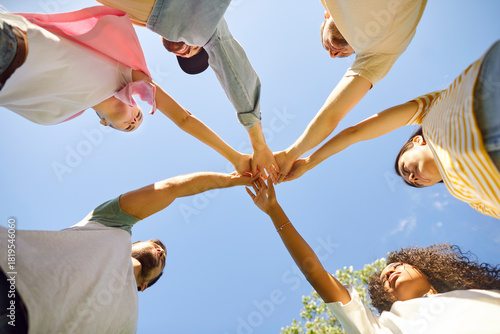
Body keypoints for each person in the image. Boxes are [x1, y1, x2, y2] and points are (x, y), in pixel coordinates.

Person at [0, 7, 252, 175]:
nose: (133, 119)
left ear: (104, 123)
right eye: (139, 116)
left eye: (129, 126)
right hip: (13, 42)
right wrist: (235, 157)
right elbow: (184, 118)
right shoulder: (123, 75)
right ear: (135, 100)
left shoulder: (55, 116)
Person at [0, 171, 257, 333]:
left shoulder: (129, 325)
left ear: (144, 286)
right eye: (156, 244)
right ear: (132, 243)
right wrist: (236, 179)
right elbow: (171, 188)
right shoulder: (110, 225)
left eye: (163, 257)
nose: (160, 250)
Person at [246, 178, 500, 333]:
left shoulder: (477, 292)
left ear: (425, 269)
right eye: (383, 279)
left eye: (398, 265)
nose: (388, 271)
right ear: (384, 299)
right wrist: (274, 211)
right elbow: (316, 274)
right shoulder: (380, 327)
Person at [283, 41, 500, 219]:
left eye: (405, 169)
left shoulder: (429, 111)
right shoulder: (467, 196)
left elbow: (353, 134)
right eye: (413, 182)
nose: (412, 178)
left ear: (416, 142)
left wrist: (308, 162)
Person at [94, 0, 279, 181]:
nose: (185, 52)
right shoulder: (199, 24)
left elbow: (183, 119)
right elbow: (233, 67)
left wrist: (235, 158)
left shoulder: (137, 20)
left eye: (183, 54)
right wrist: (258, 144)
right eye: (195, 47)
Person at [274, 0, 428, 182]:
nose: (333, 54)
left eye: (325, 45)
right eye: (348, 54)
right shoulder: (378, 54)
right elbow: (332, 114)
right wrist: (291, 155)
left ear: (326, 14)